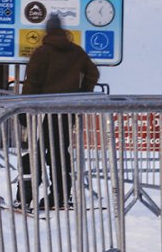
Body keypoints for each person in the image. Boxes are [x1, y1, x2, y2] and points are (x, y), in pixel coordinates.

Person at [16, 13, 100, 209]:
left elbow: (32, 83)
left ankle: (24, 197)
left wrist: (23, 109)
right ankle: (60, 195)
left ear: (47, 31)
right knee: (60, 152)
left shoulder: (42, 53)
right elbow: (93, 73)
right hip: (66, 110)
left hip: (42, 111)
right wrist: (81, 94)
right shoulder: (77, 51)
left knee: (34, 153)